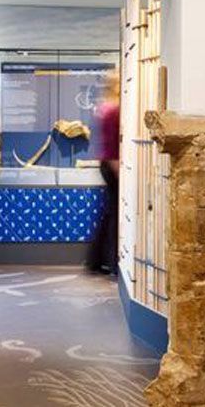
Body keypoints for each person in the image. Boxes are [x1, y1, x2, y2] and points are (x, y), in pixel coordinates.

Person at [86, 72, 120, 274]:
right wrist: (117, 169)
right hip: (112, 163)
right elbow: (113, 145)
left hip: (107, 163)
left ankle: (97, 260)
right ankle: (110, 261)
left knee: (109, 212)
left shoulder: (105, 108)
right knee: (113, 212)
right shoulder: (114, 110)